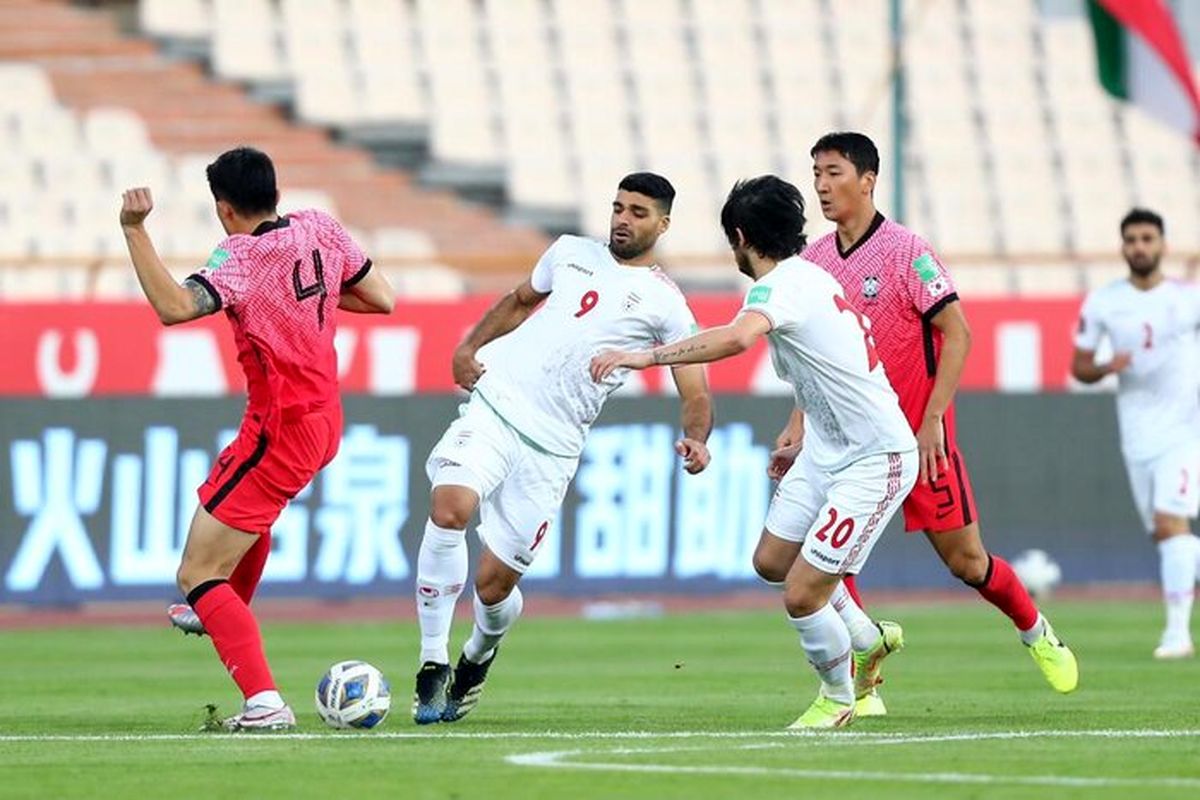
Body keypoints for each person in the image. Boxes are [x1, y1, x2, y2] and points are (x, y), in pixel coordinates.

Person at [592, 175, 917, 729]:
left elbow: (738, 338)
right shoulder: (810, 277)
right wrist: (802, 436)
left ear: (740, 238)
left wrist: (646, 357)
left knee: (802, 595)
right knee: (771, 562)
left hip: (874, 458)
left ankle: (838, 698)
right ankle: (867, 638)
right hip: (826, 450)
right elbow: (824, 369)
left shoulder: (775, 289)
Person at [412, 173, 713, 724]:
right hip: (496, 405)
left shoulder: (666, 303)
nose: (623, 219)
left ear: (663, 224)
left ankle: (477, 656)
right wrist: (469, 346)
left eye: (638, 212)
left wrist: (696, 436)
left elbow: (695, 390)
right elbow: (519, 300)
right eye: (618, 207)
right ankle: (431, 662)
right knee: (450, 506)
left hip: (551, 449)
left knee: (493, 588)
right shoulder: (570, 251)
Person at [120, 147, 395, 730]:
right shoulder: (320, 228)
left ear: (224, 208)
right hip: (323, 418)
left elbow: (174, 307)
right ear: (276, 193)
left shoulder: (240, 258)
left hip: (280, 428)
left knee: (197, 574)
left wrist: (135, 230)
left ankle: (264, 701)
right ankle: (224, 610)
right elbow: (382, 297)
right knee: (249, 520)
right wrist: (310, 301)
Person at [803, 131, 1078, 708]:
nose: (822, 186)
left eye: (833, 173)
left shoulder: (907, 252)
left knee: (968, 562)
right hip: (854, 445)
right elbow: (815, 357)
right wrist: (798, 420)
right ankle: (863, 686)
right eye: (817, 174)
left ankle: (1036, 631)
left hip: (918, 439)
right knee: (830, 563)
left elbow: (959, 333)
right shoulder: (815, 262)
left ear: (867, 180)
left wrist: (932, 420)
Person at [1072, 208, 1200, 659]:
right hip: (1137, 435)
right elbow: (1080, 366)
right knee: (1167, 537)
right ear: (1123, 246)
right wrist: (1108, 365)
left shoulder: (1187, 299)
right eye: (1132, 239)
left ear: (1163, 245)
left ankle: (1177, 635)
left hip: (1185, 432)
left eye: (1147, 238)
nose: (1139, 247)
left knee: (1171, 523)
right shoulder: (1104, 302)